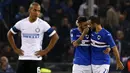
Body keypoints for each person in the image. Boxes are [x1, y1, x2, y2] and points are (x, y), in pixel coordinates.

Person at [7, 2, 59, 73]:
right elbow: (9, 34)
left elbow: (55, 36)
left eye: (38, 11)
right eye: (35, 10)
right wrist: (15, 48)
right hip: (23, 58)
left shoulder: (43, 24)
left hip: (36, 59)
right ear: (29, 10)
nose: (37, 13)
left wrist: (46, 50)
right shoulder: (21, 23)